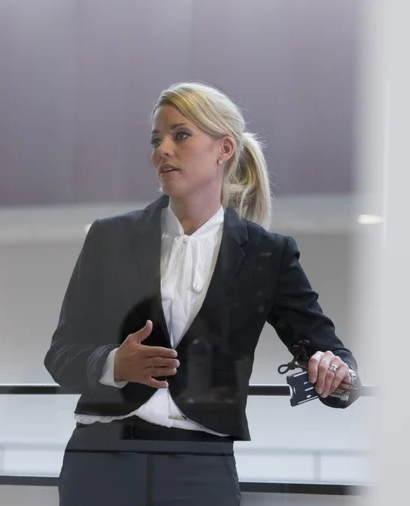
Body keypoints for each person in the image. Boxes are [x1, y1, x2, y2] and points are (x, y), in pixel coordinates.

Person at [44, 81, 361, 506]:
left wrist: (334, 371)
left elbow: (333, 358)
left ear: (224, 148)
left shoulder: (269, 253)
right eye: (157, 140)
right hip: (102, 457)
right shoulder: (109, 237)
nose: (163, 151)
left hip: (202, 468)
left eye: (180, 135)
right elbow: (61, 353)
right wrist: (114, 363)